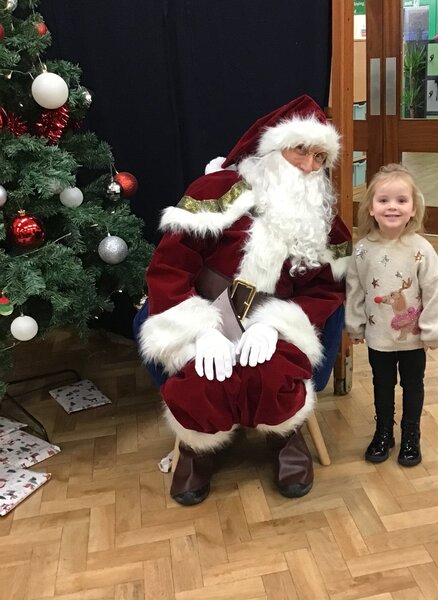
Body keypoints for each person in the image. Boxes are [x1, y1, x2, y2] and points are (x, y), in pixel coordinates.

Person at [139, 95, 351, 505]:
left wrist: (277, 324)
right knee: (203, 375)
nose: (309, 166)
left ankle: (286, 440)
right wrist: (200, 332)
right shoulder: (215, 192)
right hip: (205, 317)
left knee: (272, 372)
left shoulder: (324, 220)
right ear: (271, 149)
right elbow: (170, 269)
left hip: (273, 325)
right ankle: (198, 453)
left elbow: (326, 289)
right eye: (300, 151)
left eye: (320, 157)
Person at [345, 164, 438, 467]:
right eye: (384, 200)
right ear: (371, 208)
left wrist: (432, 331)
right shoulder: (363, 250)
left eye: (401, 200)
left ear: (413, 208)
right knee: (381, 385)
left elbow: (435, 291)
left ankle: (410, 435)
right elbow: (354, 289)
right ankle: (383, 433)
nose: (392, 206)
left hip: (414, 341)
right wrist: (355, 325)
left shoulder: (422, 250)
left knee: (413, 386)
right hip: (379, 338)